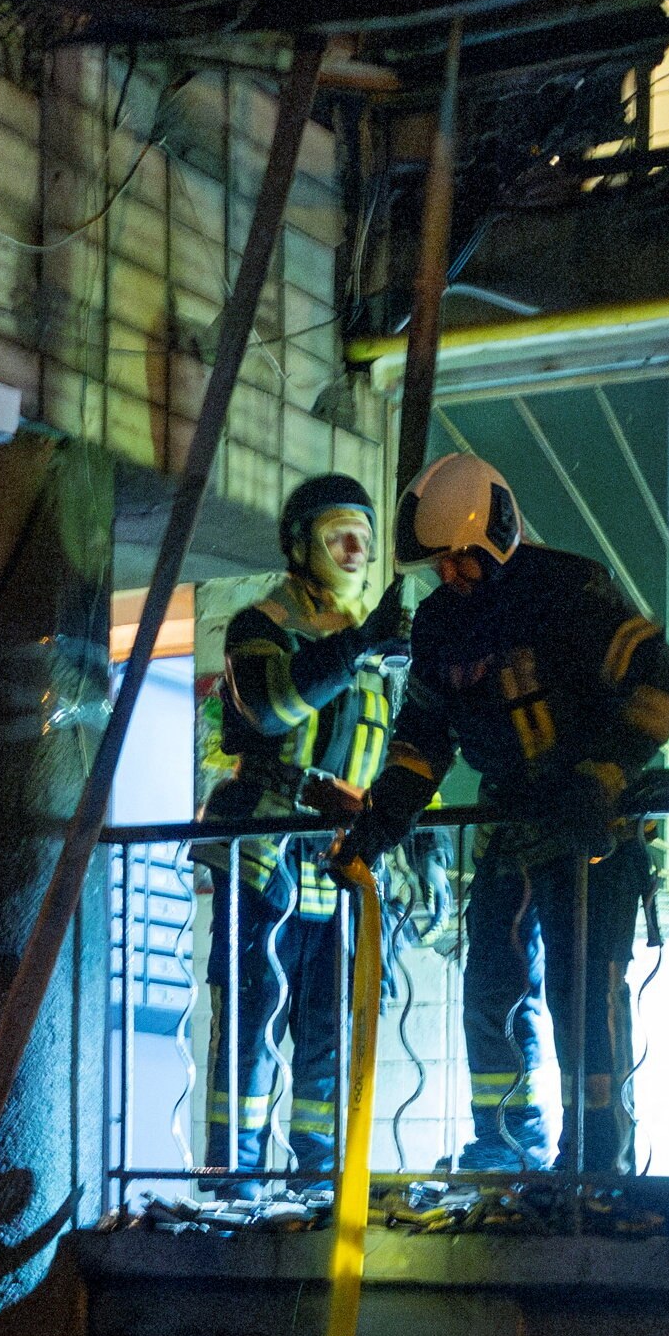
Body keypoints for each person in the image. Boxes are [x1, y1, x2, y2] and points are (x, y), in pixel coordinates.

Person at [330, 453, 669, 1175]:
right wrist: (381, 817)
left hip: (590, 831)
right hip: (510, 832)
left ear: (498, 532)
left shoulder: (570, 590)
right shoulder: (437, 626)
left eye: (463, 559)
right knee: (491, 991)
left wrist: (601, 776)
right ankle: (503, 1145)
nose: (451, 575)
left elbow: (665, 685)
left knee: (583, 993)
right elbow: (423, 737)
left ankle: (596, 1158)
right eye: (440, 563)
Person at [202, 473, 406, 1175]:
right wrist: (357, 649)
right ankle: (235, 1175)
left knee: (328, 1034)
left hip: (342, 865)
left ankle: (319, 1179)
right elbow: (270, 705)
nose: (354, 549)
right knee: (251, 1024)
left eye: (364, 537)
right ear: (299, 545)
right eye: (336, 534)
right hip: (265, 855)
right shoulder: (259, 625)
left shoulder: (382, 651)